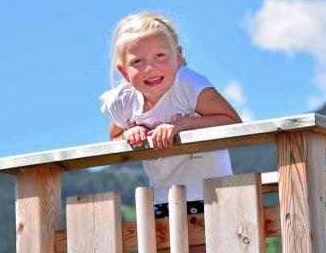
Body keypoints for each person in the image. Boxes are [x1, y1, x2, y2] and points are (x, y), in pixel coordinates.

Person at [100, 12, 241, 217]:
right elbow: (114, 136)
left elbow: (233, 122)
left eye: (160, 56)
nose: (150, 67)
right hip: (164, 200)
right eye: (138, 61)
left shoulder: (186, 84)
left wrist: (183, 124)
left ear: (178, 56)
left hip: (214, 193)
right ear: (124, 73)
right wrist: (131, 132)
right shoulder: (124, 100)